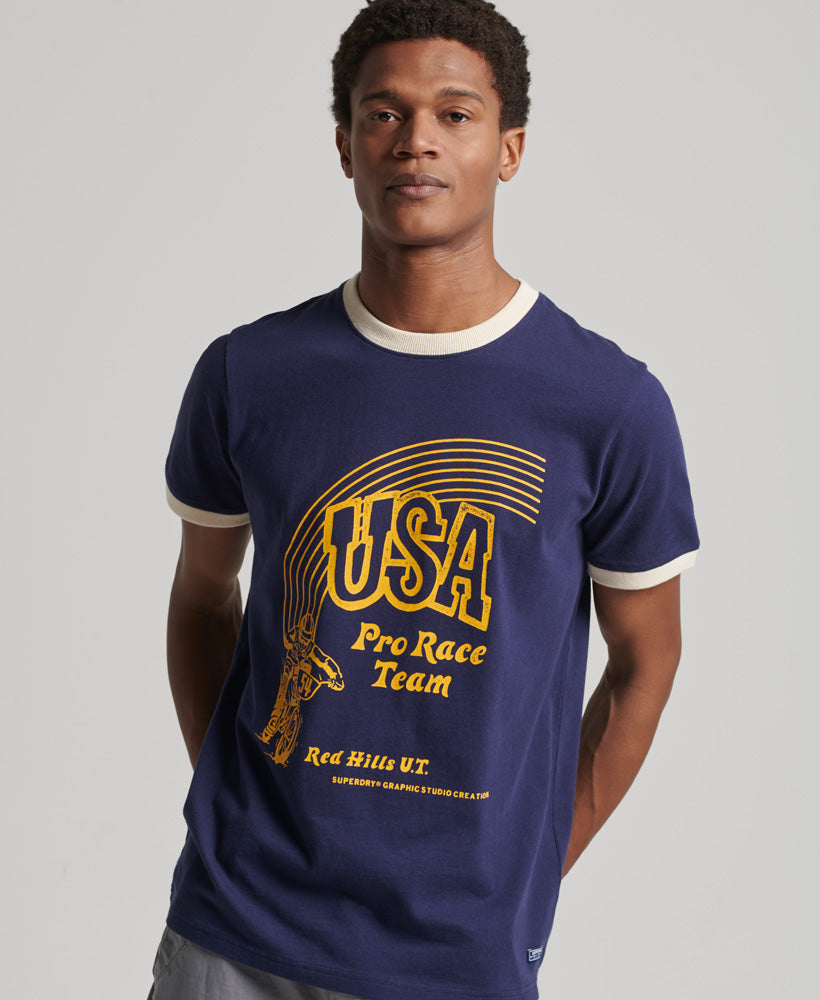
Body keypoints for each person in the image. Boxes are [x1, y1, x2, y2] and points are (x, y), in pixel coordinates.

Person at [150, 1, 699, 998]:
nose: (416, 141)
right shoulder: (250, 375)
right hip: (236, 933)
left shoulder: (606, 404)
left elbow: (644, 663)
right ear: (344, 146)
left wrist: (533, 864)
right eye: (383, 114)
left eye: (455, 113)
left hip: (457, 958)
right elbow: (199, 600)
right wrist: (235, 802)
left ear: (509, 148)